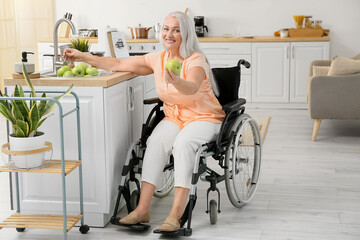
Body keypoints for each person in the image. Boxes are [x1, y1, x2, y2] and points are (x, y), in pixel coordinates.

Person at [64, 11, 225, 232]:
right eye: (167, 29)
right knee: (155, 142)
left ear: (186, 34)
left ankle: (176, 215)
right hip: (175, 116)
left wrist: (177, 81)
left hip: (204, 117)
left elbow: (193, 87)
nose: (170, 34)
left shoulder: (196, 59)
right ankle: (142, 210)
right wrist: (83, 56)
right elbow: (117, 63)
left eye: (176, 30)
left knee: (183, 145)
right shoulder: (158, 59)